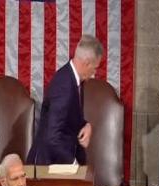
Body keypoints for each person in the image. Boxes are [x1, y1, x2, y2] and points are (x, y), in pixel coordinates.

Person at [27, 34, 103, 165]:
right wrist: (72, 164)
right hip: (49, 167)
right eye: (95, 67)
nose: (94, 73)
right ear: (86, 63)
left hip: (59, 162)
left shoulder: (74, 79)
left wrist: (86, 125)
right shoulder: (64, 86)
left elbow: (68, 118)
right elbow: (53, 137)